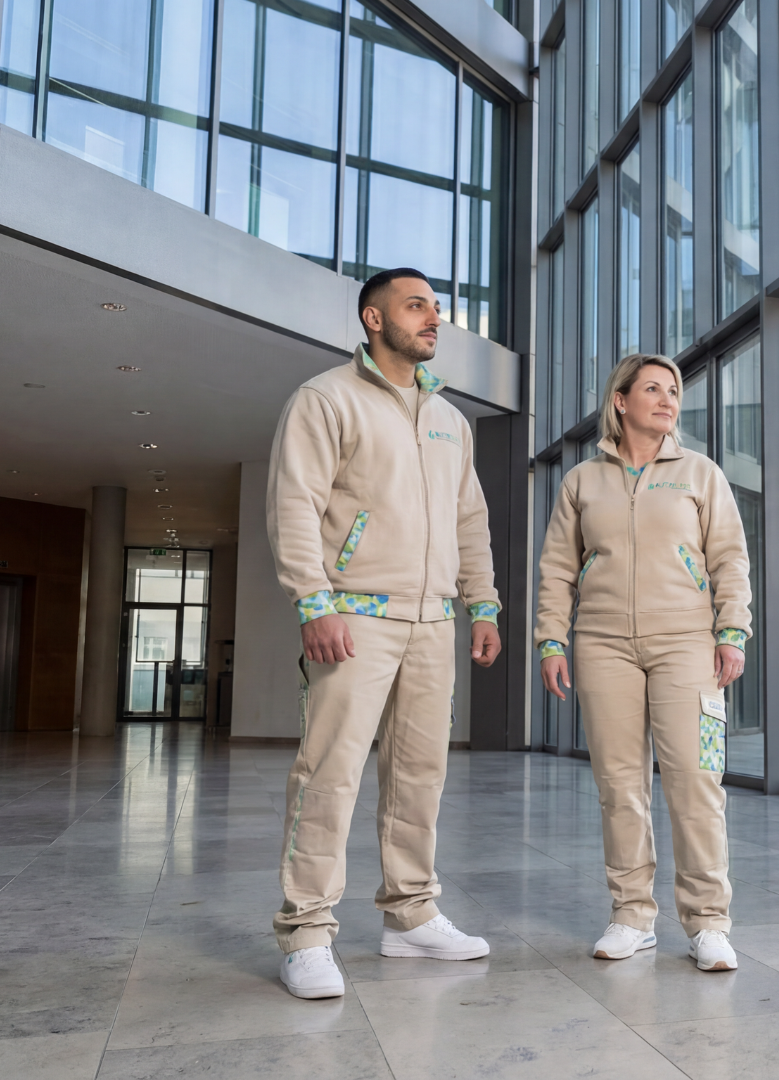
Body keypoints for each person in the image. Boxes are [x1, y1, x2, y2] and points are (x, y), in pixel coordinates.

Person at [266, 267, 503, 999]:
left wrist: (483, 604)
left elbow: (469, 519)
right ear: (374, 319)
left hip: (433, 621)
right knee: (329, 774)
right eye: (416, 305)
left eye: (437, 308)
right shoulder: (325, 398)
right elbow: (294, 504)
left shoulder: (450, 418)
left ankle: (411, 916)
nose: (434, 319)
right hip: (355, 615)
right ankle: (306, 932)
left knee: (420, 776)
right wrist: (315, 604)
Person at [535, 353, 753, 972]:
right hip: (602, 646)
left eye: (673, 391)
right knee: (620, 787)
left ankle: (708, 923)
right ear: (621, 400)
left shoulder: (700, 473)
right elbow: (557, 568)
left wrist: (732, 631)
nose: (666, 400)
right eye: (653, 389)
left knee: (697, 783)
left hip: (687, 644)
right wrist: (551, 640)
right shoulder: (582, 481)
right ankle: (631, 915)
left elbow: (729, 557)